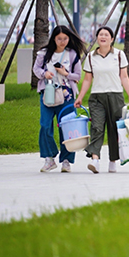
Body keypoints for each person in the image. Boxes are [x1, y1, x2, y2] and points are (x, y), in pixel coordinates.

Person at [75, 26, 129, 173]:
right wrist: (80, 97)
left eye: (106, 35)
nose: (103, 37)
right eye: (100, 34)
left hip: (115, 96)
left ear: (112, 39)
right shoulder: (90, 57)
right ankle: (95, 160)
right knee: (97, 127)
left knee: (114, 129)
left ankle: (112, 161)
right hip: (97, 97)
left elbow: (124, 76)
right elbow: (87, 80)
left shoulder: (119, 55)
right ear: (97, 38)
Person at [32, 25, 87, 173]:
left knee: (67, 128)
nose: (62, 41)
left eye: (65, 38)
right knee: (45, 125)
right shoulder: (44, 53)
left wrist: (65, 73)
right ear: (54, 39)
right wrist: (44, 74)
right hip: (48, 93)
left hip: (67, 95)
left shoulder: (72, 54)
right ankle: (49, 158)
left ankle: (66, 161)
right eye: (59, 39)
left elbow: (78, 75)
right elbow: (36, 69)